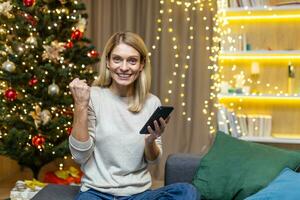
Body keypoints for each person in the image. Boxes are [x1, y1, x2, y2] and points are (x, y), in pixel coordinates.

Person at [69, 31, 200, 200]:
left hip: (138, 195)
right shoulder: (91, 96)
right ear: (108, 62)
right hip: (96, 193)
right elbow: (80, 156)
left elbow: (152, 160)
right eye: (117, 59)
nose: (124, 67)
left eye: (132, 60)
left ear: (141, 65)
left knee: (187, 192)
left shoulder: (152, 103)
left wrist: (150, 140)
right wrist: (80, 105)